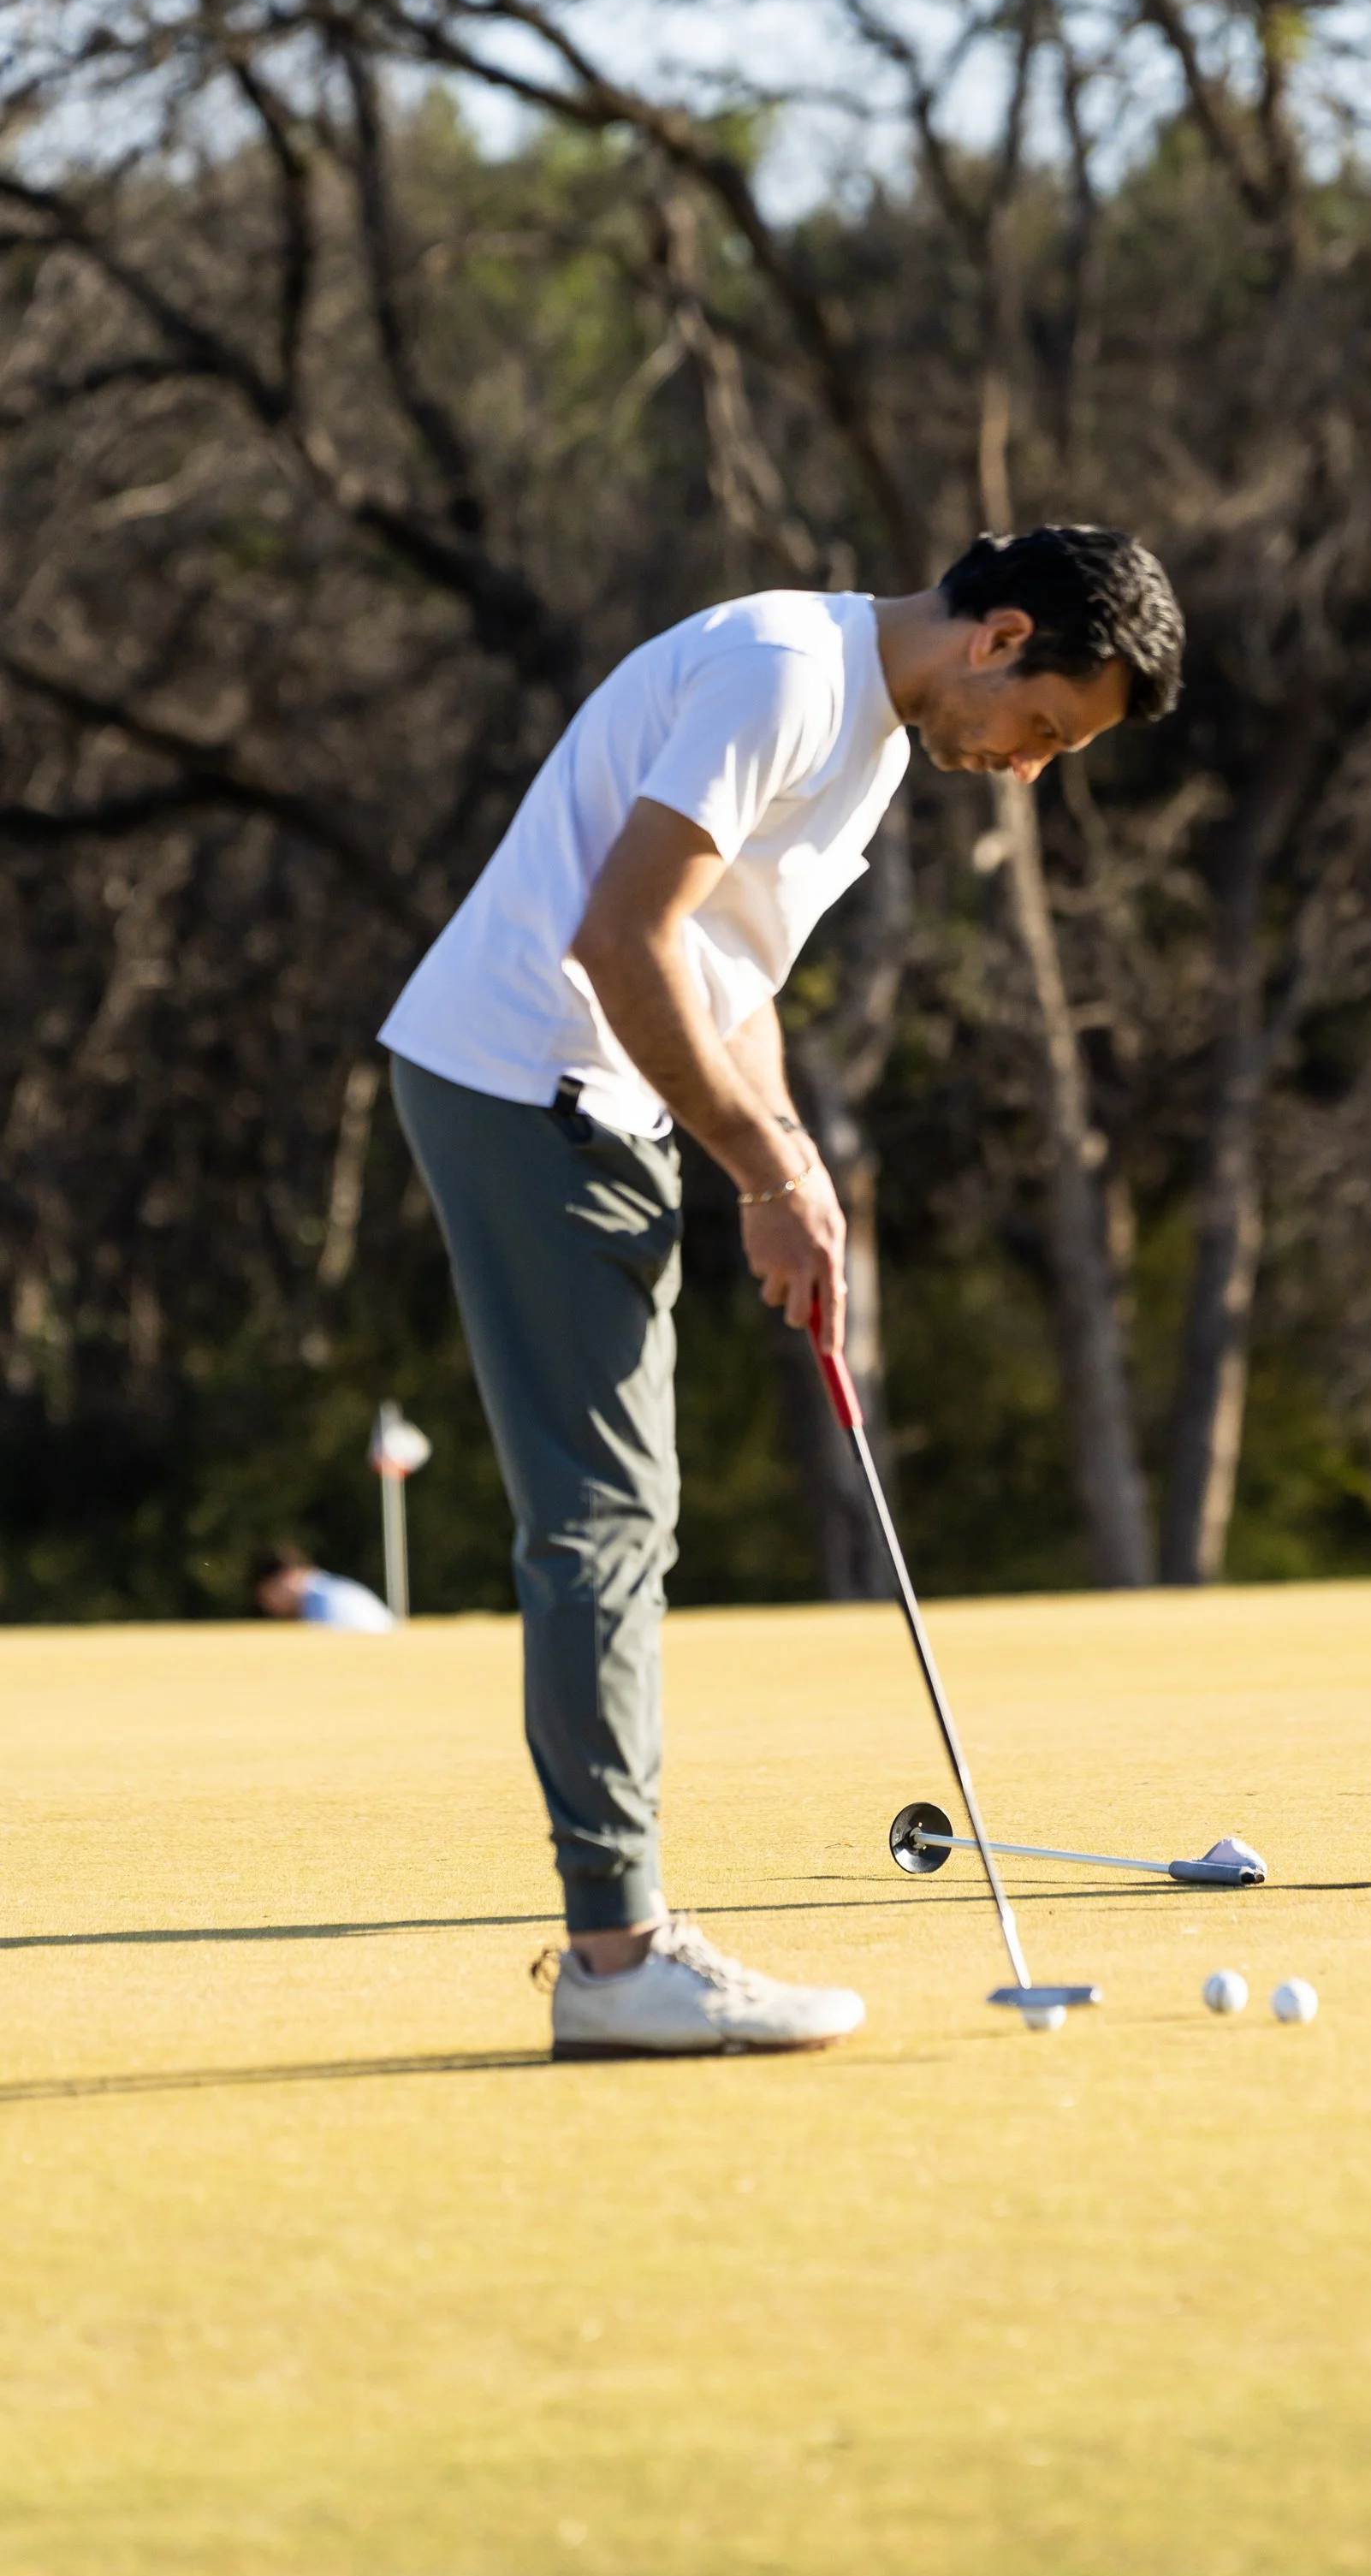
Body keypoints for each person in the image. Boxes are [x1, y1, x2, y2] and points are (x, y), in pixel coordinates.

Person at [379, 528, 1184, 2057]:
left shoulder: (868, 726)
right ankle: (619, 1961)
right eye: (1045, 730)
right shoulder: (784, 678)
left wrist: (793, 1168)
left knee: (617, 1518)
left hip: (565, 1090)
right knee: (602, 1524)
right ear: (1000, 637)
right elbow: (621, 942)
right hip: (529, 1082)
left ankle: (621, 1946)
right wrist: (758, 1171)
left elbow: (726, 979)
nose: (1027, 769)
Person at [254, 1543, 396, 1633]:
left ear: (285, 1578)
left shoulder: (322, 1603)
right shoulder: (333, 1591)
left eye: (267, 1595)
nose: (268, 1605)